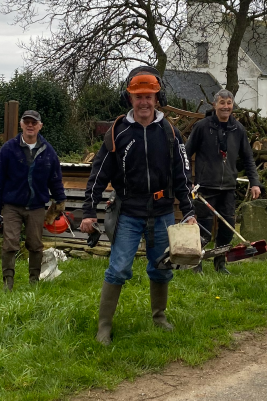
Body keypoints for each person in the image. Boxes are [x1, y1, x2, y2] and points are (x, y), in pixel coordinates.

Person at [79, 66, 196, 346]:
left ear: (158, 98)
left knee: (161, 267)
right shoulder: (117, 133)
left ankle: (159, 318)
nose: (144, 102)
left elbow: (183, 176)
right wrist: (87, 211)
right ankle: (103, 327)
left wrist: (189, 211)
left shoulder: (170, 133)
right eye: (138, 96)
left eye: (149, 96)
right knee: (118, 268)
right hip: (128, 212)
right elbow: (98, 174)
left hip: (163, 211)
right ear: (129, 98)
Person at [0, 110, 67, 291]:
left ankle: (34, 283)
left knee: (35, 244)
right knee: (10, 243)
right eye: (27, 122)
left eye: (34, 122)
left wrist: (60, 201)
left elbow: (55, 178)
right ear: (21, 125)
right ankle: (8, 284)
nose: (30, 125)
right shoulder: (8, 149)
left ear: (40, 126)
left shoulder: (48, 152)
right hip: (12, 206)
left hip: (37, 206)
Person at [185, 89, 261, 274]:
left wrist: (255, 182)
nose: (226, 106)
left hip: (228, 186)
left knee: (227, 227)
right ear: (214, 105)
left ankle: (220, 264)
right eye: (222, 103)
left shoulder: (238, 129)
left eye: (229, 103)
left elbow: (248, 157)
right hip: (205, 186)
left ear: (232, 106)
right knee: (203, 228)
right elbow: (185, 155)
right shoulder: (202, 127)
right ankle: (197, 264)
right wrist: (187, 181)